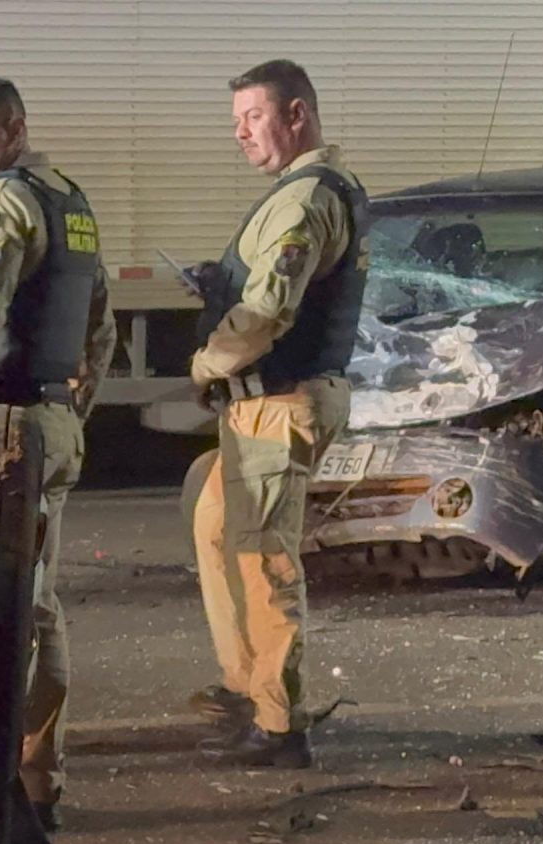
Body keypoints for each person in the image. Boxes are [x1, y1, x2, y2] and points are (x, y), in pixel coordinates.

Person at [0, 74, 115, 832]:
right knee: (40, 606)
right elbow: (98, 322)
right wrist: (74, 407)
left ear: (12, 127)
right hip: (52, 420)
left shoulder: (3, 203)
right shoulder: (70, 200)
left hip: (2, 433)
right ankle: (39, 782)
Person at [186, 59, 367, 769]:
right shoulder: (306, 193)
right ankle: (248, 687)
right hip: (265, 403)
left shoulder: (305, 200)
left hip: (279, 399)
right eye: (237, 121)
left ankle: (279, 723)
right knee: (217, 531)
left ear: (297, 115)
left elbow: (267, 311)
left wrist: (207, 362)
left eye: (254, 118)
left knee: (262, 561)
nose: (241, 134)